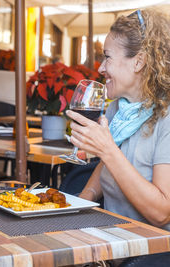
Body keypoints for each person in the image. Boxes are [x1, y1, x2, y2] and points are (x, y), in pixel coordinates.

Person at [66, 9, 170, 265]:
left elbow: (161, 213)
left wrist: (107, 148)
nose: (100, 68)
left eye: (107, 58)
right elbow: (107, 164)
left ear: (139, 62)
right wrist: (83, 199)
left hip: (149, 254)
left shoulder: (167, 118)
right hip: (110, 241)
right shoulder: (118, 109)